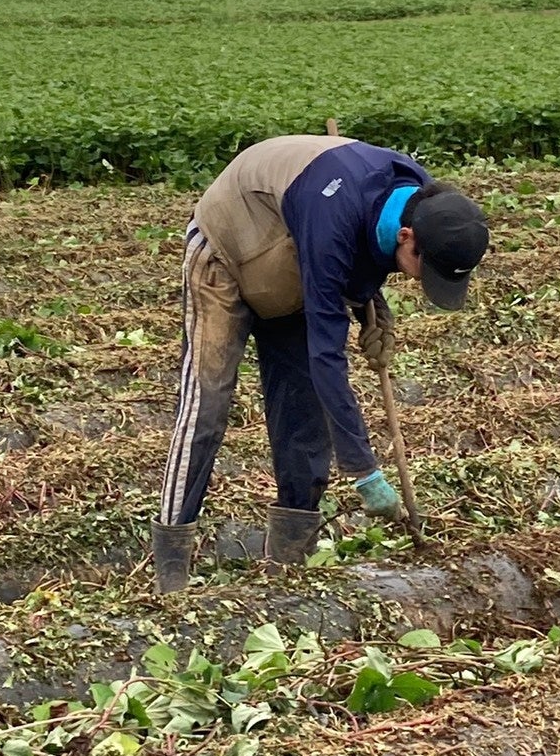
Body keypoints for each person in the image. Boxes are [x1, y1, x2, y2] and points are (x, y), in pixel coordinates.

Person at [152, 133, 489, 592]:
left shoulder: (426, 205)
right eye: (423, 269)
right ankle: (171, 571)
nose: (422, 281)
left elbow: (366, 252)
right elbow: (327, 355)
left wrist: (375, 308)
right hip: (228, 253)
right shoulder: (334, 214)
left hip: (294, 263)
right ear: (408, 238)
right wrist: (364, 470)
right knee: (207, 404)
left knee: (302, 415)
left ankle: (288, 570)